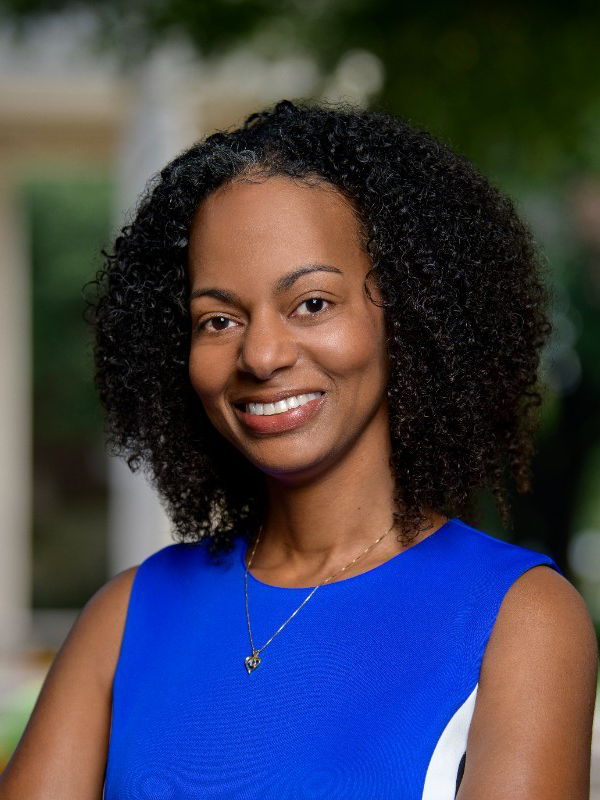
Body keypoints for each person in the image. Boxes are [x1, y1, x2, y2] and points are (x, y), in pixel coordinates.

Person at [0, 99, 597, 800]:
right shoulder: (126, 617)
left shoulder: (517, 617)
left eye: (311, 303)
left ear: (409, 309)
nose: (260, 353)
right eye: (218, 319)